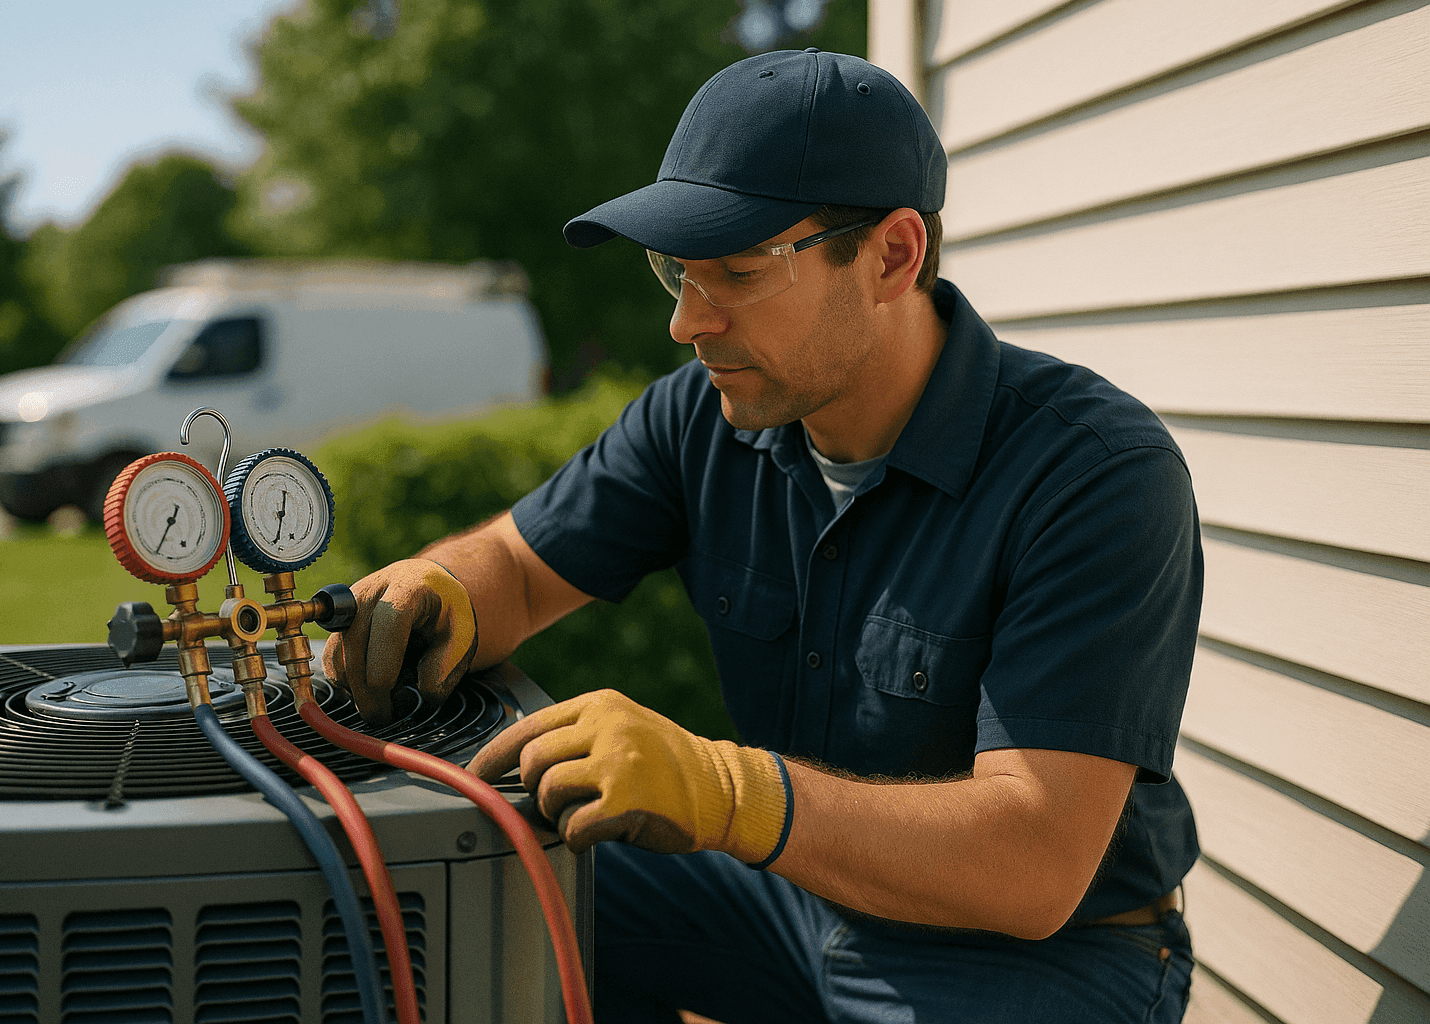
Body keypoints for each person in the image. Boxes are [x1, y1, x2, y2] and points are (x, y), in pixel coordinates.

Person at [323, 48, 1202, 1023]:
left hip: (1042, 958)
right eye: (676, 272)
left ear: (892, 257)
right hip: (790, 897)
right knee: (451, 901)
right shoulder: (701, 415)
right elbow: (517, 575)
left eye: (736, 272)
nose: (687, 324)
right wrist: (437, 584)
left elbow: (1034, 862)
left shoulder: (1092, 472)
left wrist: (724, 788)